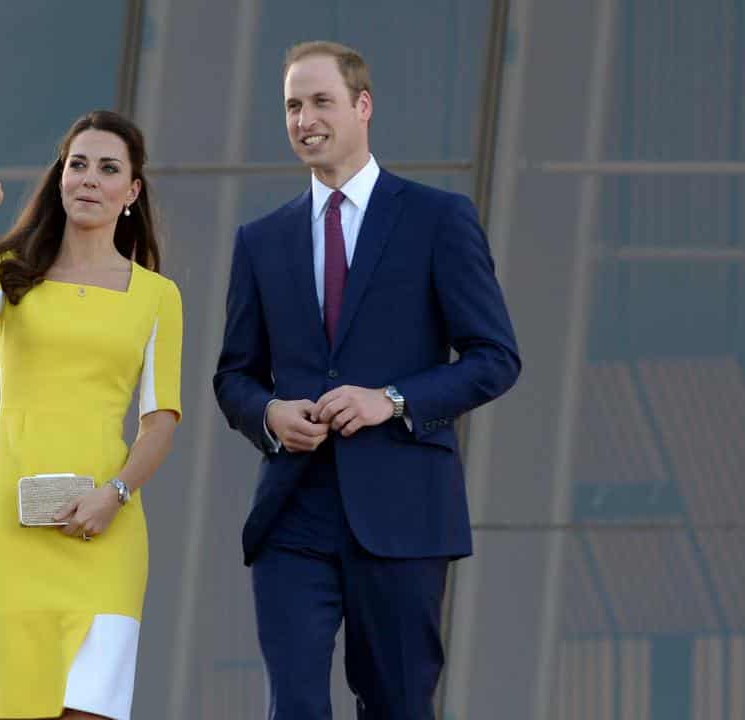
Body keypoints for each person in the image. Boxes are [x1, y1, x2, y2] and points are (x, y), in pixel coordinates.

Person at [212, 41, 521, 719]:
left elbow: (495, 357)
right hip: (294, 514)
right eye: (293, 105)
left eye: (321, 101)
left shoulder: (438, 219)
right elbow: (234, 375)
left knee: (398, 705)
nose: (304, 118)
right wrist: (268, 414)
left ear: (363, 105)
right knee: (293, 704)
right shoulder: (260, 241)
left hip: (403, 514)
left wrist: (393, 400)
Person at [0, 110, 182, 720]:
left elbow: (161, 421)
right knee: (18, 704)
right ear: (60, 178)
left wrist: (115, 494)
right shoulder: (14, 273)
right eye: (78, 165)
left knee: (93, 707)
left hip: (107, 526)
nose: (89, 179)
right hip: (16, 527)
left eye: (107, 169)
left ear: (132, 192)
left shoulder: (156, 296)